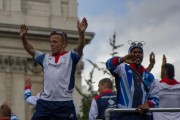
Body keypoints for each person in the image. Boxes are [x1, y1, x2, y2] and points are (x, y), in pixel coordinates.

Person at [19, 17, 88, 120]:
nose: (51, 44)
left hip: (64, 103)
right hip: (45, 103)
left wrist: (81, 33)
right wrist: (23, 38)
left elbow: (80, 46)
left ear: (64, 44)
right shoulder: (45, 58)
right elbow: (31, 50)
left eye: (55, 42)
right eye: (50, 42)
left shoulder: (71, 57)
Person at [106, 41, 159, 120]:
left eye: (140, 52)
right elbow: (109, 64)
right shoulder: (122, 69)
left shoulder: (149, 76)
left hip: (144, 116)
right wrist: (123, 59)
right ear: (129, 55)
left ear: (143, 55)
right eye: (134, 52)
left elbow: (155, 98)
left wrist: (148, 104)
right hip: (124, 116)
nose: (137, 54)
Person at [153, 55, 180, 120]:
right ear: (174, 74)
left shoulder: (157, 84)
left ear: (163, 72)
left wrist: (151, 65)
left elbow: (142, 76)